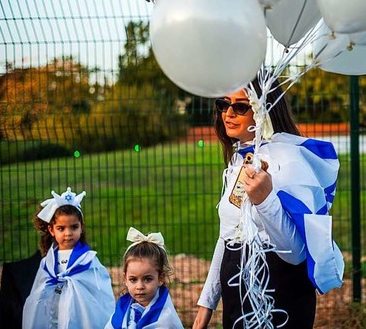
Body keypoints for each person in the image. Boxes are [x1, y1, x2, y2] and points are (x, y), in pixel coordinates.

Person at [193, 78, 344, 329]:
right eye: (223, 104)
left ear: (264, 110)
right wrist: (205, 307)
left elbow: (295, 253)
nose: (228, 113)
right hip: (237, 298)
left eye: (241, 107)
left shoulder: (288, 162)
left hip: (280, 300)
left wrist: (265, 200)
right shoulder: (239, 162)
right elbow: (227, 237)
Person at [22, 187, 115, 329]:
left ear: (81, 227)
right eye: (61, 228)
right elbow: (38, 290)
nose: (68, 233)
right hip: (53, 314)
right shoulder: (47, 262)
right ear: (51, 230)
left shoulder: (88, 259)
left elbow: (100, 291)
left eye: (74, 227)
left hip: (80, 316)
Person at [106, 227, 183, 328]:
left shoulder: (165, 319)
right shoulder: (122, 309)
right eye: (133, 279)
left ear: (161, 278)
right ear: (125, 279)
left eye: (147, 279)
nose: (140, 286)